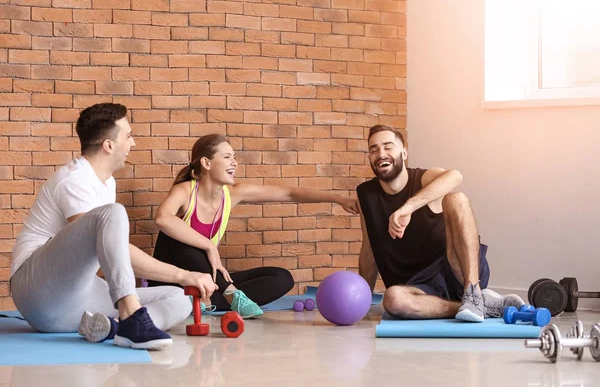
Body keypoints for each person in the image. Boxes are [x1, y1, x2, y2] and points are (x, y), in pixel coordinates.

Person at [9, 103, 218, 350]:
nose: (133, 143)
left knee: (179, 297)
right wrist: (183, 274)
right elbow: (111, 248)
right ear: (108, 145)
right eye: (128, 136)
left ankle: (115, 327)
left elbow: (114, 249)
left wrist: (184, 281)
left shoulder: (107, 183)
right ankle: (131, 315)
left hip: (71, 305)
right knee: (112, 213)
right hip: (36, 289)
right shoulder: (74, 180)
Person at [148, 134, 358, 318]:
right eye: (227, 157)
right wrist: (209, 246)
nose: (235, 163)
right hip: (172, 283)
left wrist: (337, 198)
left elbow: (288, 194)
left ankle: (207, 303)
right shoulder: (185, 191)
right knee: (176, 233)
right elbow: (162, 219)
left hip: (209, 285)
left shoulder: (232, 195)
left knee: (281, 278)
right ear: (206, 162)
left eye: (235, 157)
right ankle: (230, 294)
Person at [357, 125, 524, 322]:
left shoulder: (424, 179)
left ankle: (473, 292)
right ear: (369, 157)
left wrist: (408, 207)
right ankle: (480, 306)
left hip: (456, 269)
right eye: (374, 149)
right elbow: (369, 249)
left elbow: (456, 176)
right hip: (417, 288)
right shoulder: (365, 194)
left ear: (404, 153)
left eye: (388, 147)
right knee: (393, 300)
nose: (381, 154)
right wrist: (361, 300)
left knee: (456, 199)